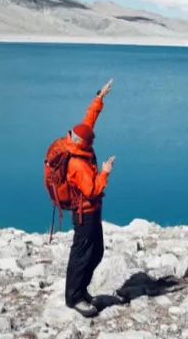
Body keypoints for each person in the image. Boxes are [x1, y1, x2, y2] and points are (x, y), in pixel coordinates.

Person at [64, 80, 116, 317]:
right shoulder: (78, 164)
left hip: (92, 212)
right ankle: (73, 297)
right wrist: (105, 171)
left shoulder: (77, 143)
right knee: (82, 256)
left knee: (96, 253)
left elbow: (88, 122)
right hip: (84, 215)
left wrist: (99, 98)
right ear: (85, 144)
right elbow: (92, 190)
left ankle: (81, 289)